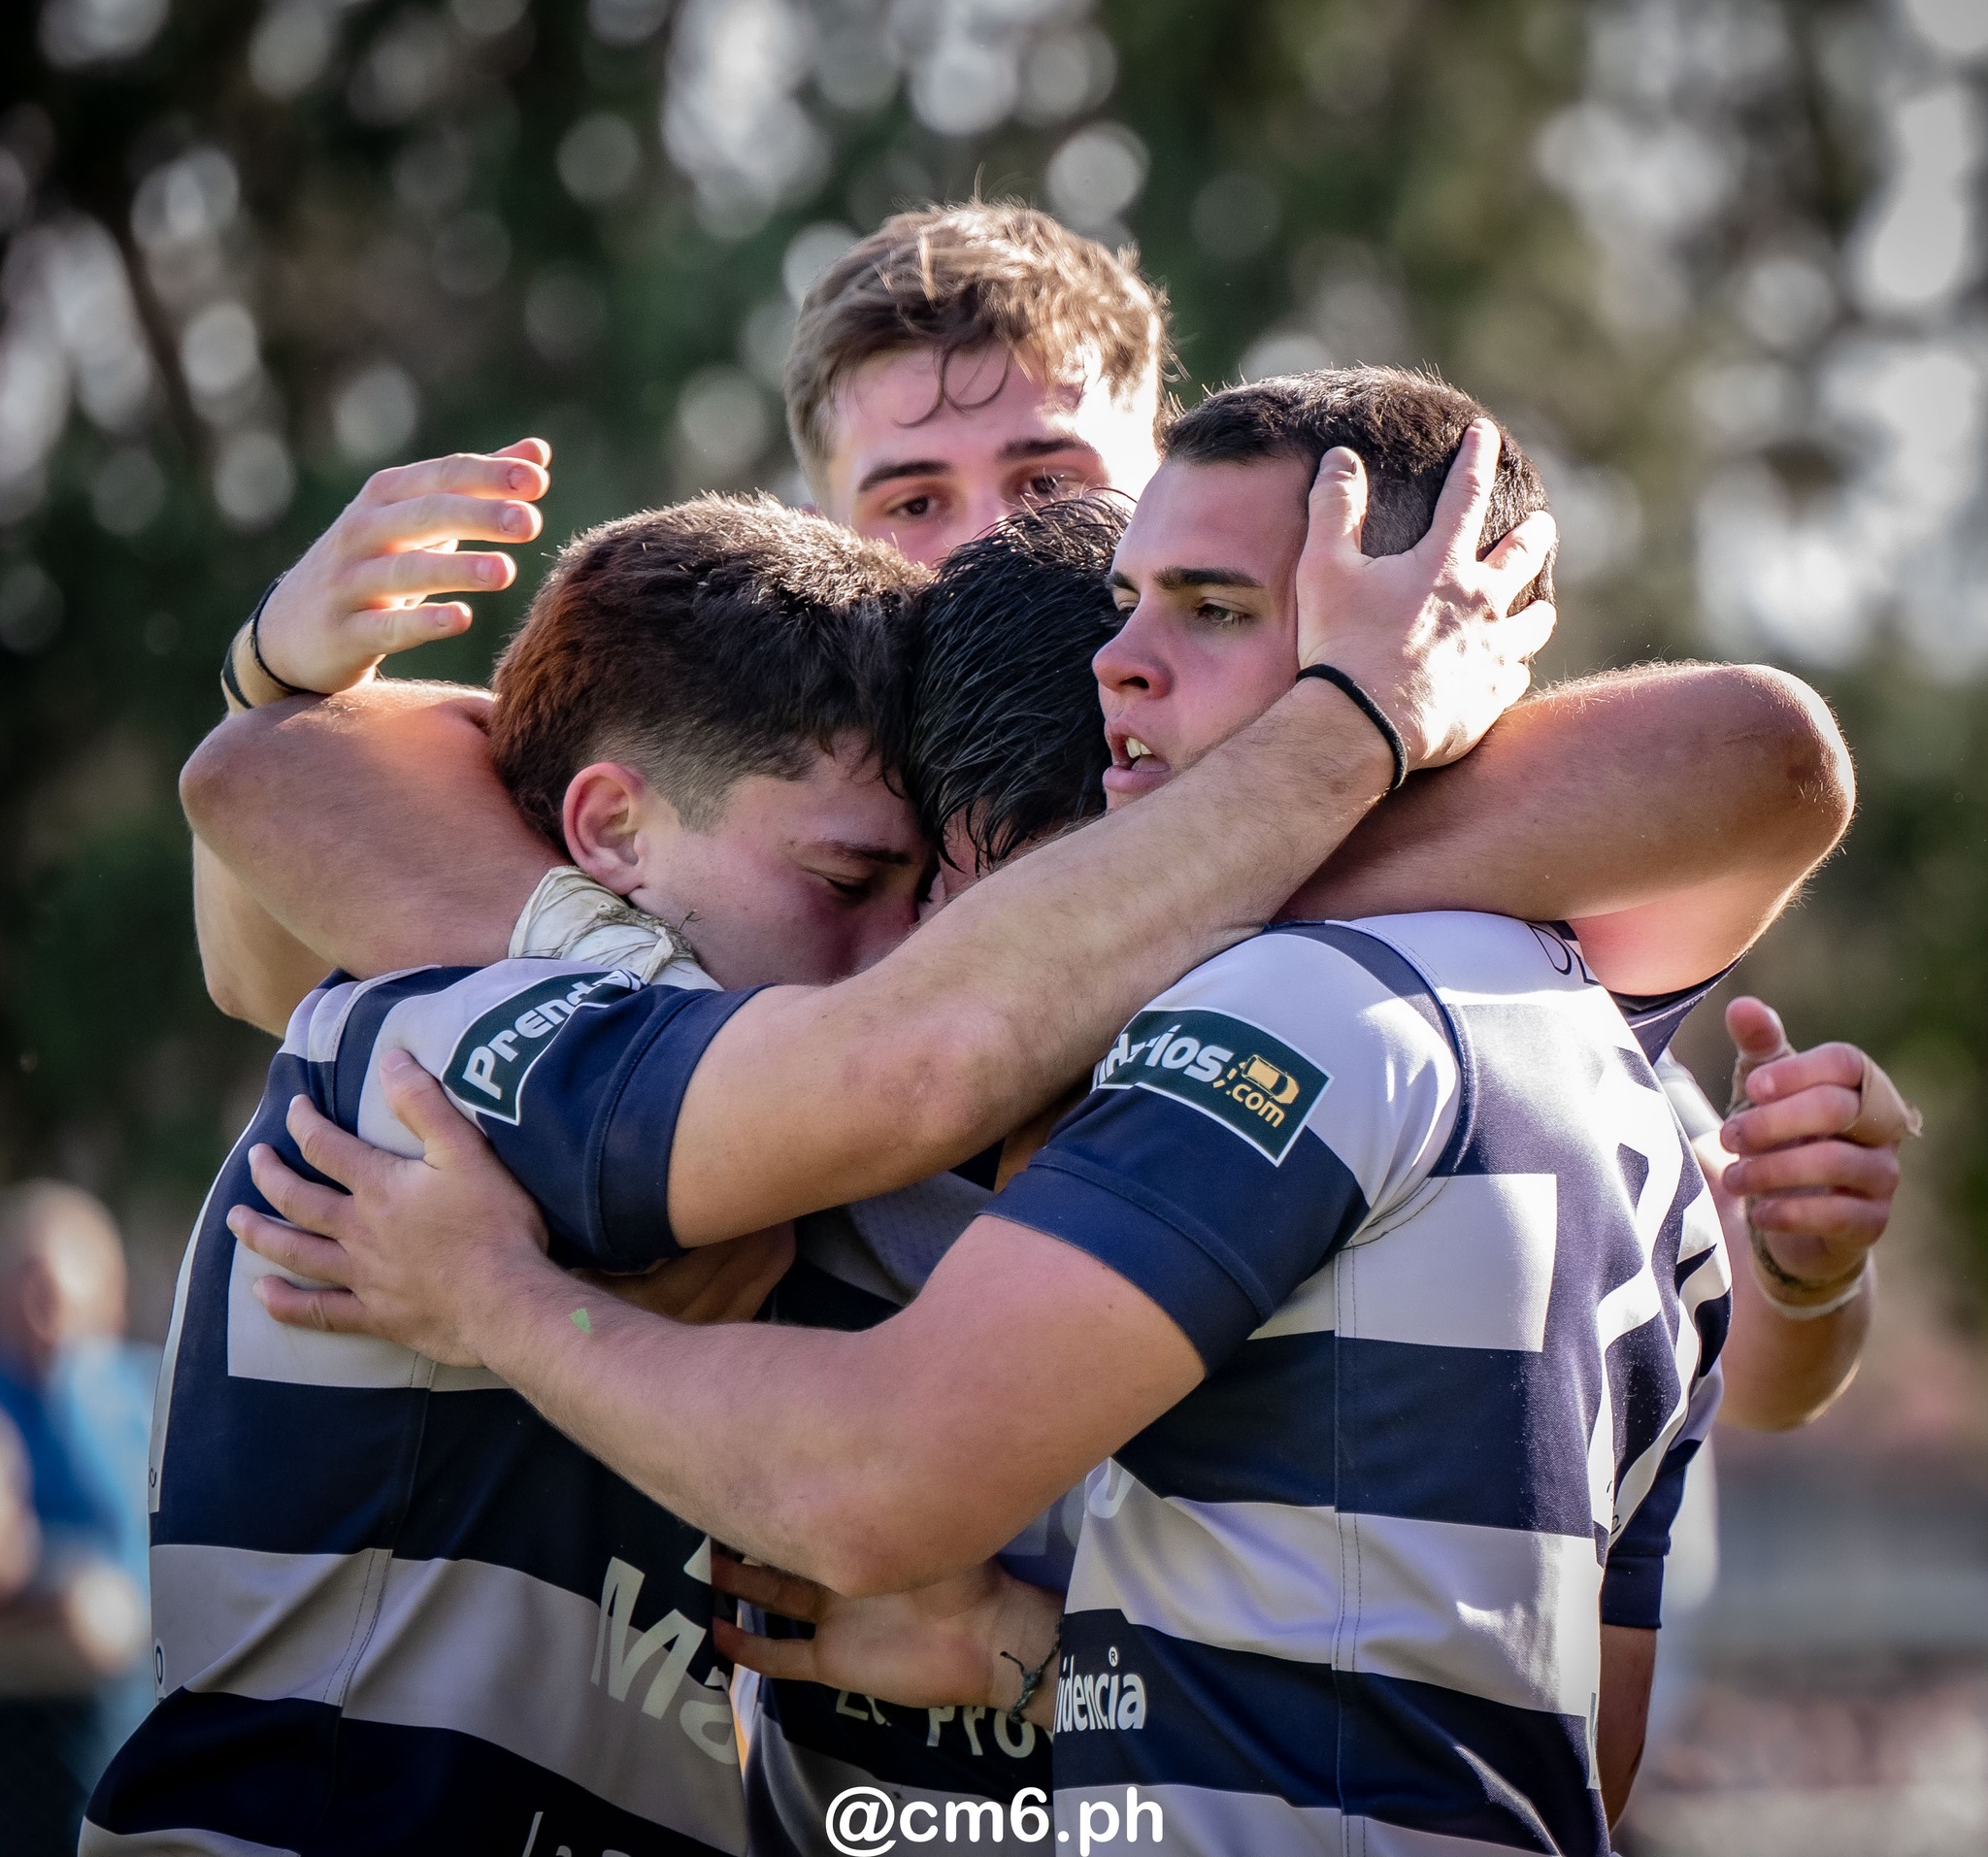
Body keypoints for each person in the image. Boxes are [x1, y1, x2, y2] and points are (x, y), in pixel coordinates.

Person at [228, 378, 1852, 1853]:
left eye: (1041, 465)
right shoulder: (784, 997)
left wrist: (1023, 1653)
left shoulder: (1369, 1006)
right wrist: (278, 669)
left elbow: (1752, 761)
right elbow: (264, 806)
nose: (974, 525)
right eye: (907, 490)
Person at [0, 1181, 156, 1857]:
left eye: (60, 1287)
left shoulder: (153, 1402)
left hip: (131, 1725)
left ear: (112, 1297)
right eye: (27, 1284)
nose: (47, 1309)